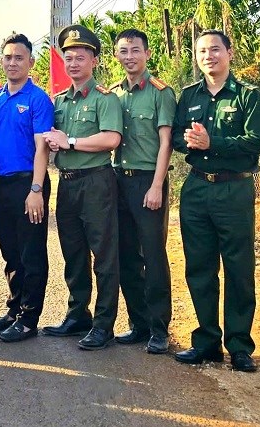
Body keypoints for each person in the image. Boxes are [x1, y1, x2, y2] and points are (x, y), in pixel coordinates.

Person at [172, 30, 260, 373]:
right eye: (202, 51)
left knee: (239, 269)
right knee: (199, 267)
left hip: (234, 189)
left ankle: (239, 346)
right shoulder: (189, 96)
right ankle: (207, 342)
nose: (208, 56)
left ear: (229, 53)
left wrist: (212, 142)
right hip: (197, 188)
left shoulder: (247, 95)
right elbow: (177, 137)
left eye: (215, 49)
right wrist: (189, 141)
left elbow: (258, 141)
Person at [42, 25, 123, 351]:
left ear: (94, 61)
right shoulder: (60, 101)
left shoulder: (105, 99)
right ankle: (78, 315)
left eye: (80, 57)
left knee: (104, 256)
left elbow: (112, 139)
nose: (73, 63)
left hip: (97, 182)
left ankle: (104, 324)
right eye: (69, 58)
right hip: (68, 184)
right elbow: (52, 138)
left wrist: (70, 141)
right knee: (73, 254)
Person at [0, 33, 54, 343]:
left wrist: (36, 190)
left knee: (31, 253)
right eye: (8, 57)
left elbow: (42, 148)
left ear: (31, 62)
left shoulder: (38, 99)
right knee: (10, 252)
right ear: (2, 61)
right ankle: (14, 309)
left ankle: (29, 318)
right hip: (2, 184)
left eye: (19, 58)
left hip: (29, 183)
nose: (13, 63)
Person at [110, 29, 176, 355]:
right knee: (126, 256)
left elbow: (166, 143)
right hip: (118, 182)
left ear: (147, 54)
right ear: (116, 56)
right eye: (124, 51)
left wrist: (156, 186)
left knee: (153, 256)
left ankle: (160, 329)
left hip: (148, 181)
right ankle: (139, 324)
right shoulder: (113, 94)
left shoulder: (161, 93)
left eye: (135, 50)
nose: (130, 56)